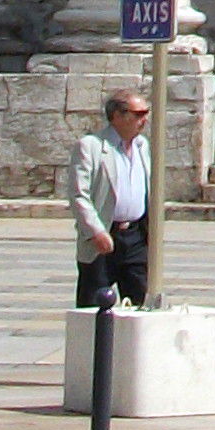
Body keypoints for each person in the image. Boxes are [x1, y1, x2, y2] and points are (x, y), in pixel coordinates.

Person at [72, 85, 153, 310]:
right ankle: (94, 345)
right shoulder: (91, 147)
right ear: (117, 116)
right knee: (94, 305)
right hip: (104, 236)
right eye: (138, 114)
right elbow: (79, 195)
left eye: (146, 113)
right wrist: (96, 231)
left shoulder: (142, 146)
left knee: (139, 305)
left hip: (136, 237)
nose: (144, 120)